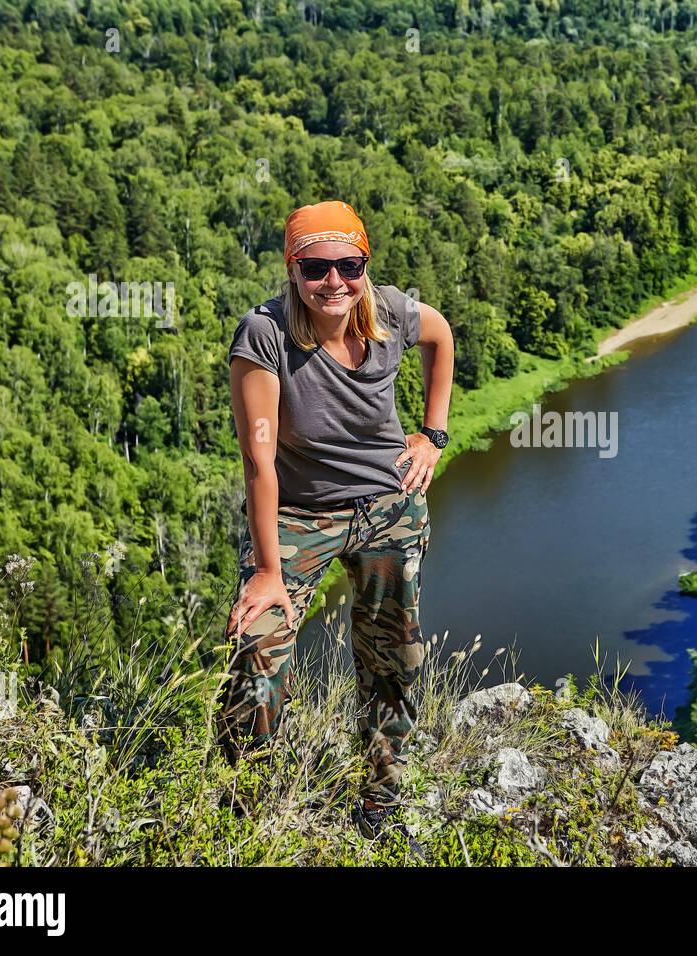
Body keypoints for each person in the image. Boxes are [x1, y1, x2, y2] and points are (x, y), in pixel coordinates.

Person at [218, 200, 454, 851]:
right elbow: (257, 460)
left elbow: (440, 336)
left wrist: (433, 433)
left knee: (393, 661)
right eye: (316, 267)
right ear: (292, 270)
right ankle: (247, 813)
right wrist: (268, 572)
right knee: (256, 653)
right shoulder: (264, 336)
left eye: (348, 265)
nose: (334, 282)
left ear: (364, 265)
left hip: (388, 507)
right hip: (298, 514)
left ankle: (381, 799)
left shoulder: (391, 313)